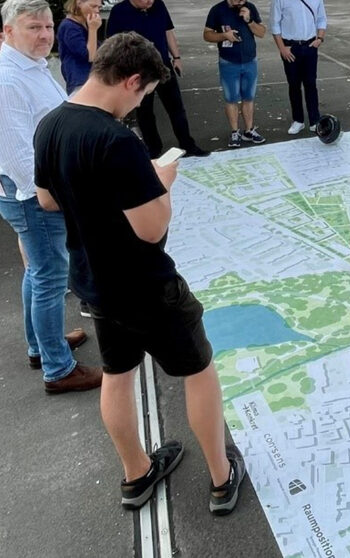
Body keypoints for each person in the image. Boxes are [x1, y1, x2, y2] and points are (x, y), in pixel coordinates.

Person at [34, 31, 247, 514]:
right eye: (144, 95)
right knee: (198, 371)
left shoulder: (51, 124)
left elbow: (47, 199)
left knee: (118, 373)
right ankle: (220, 476)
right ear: (132, 80)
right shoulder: (115, 139)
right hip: (147, 286)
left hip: (93, 284)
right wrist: (158, 182)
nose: (138, 106)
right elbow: (151, 229)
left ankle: (135, 474)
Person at [0, 0, 100, 393]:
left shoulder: (32, 66)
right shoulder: (8, 79)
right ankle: (58, 370)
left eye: (47, 26)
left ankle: (41, 346)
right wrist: (58, 199)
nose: (44, 35)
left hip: (38, 190)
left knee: (40, 273)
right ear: (8, 32)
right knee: (49, 277)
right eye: (33, 28)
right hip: (33, 195)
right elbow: (19, 156)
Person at [106, 0, 210, 158]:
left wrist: (176, 57)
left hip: (162, 64)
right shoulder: (119, 12)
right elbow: (114, 43)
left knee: (176, 107)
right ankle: (153, 148)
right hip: (138, 70)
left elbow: (168, 31)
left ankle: (187, 144)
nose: (151, 1)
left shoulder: (159, 6)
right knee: (144, 111)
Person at [204, 0, 267, 148]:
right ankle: (235, 132)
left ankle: (249, 130)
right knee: (231, 99)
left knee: (249, 97)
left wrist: (249, 20)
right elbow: (207, 35)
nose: (240, 3)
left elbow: (262, 33)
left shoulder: (250, 8)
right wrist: (224, 36)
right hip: (228, 62)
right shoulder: (217, 10)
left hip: (249, 60)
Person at [270, 0, 326, 134]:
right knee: (294, 85)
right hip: (290, 46)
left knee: (311, 84)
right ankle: (298, 120)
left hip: (310, 45)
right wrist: (282, 49)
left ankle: (315, 120)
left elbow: (322, 18)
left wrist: (319, 38)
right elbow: (275, 25)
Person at [57, 0, 103, 94]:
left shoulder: (83, 24)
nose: (96, 10)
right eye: (93, 6)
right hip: (80, 81)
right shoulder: (69, 26)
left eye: (99, 7)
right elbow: (90, 56)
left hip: (92, 79)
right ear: (79, 3)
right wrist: (93, 29)